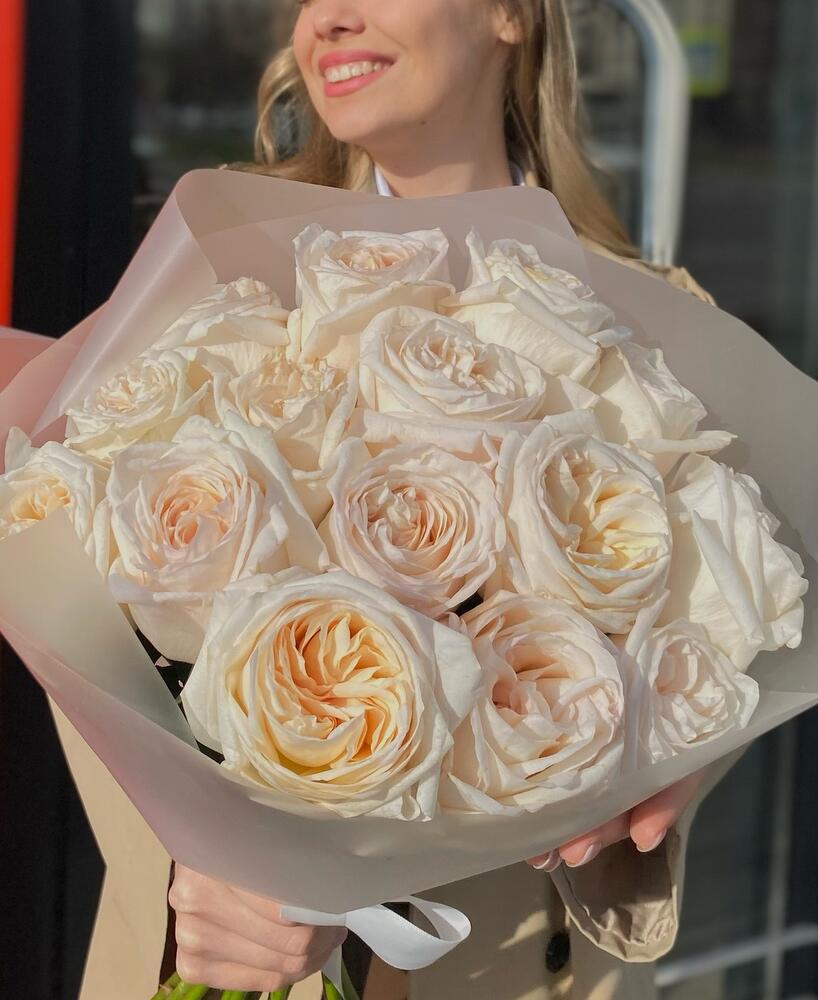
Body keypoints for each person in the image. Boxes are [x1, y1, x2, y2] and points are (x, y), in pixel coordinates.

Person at [166, 1, 741, 997]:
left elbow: (733, 619)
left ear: (509, 14)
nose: (329, 18)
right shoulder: (222, 274)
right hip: (248, 951)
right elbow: (86, 593)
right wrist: (206, 841)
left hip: (511, 958)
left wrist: (680, 741)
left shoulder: (659, 320)